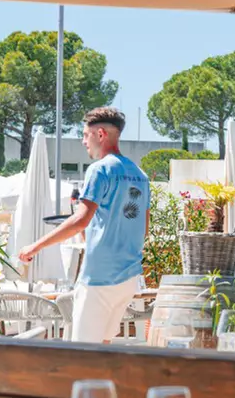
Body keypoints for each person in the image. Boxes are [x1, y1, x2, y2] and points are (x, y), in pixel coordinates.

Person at [19, 107, 150, 343]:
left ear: (100, 134)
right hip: (129, 276)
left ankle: (85, 382)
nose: (83, 141)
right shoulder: (140, 175)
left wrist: (35, 246)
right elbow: (144, 228)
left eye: (85, 135)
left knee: (82, 351)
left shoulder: (100, 170)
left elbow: (81, 219)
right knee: (104, 346)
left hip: (100, 276)